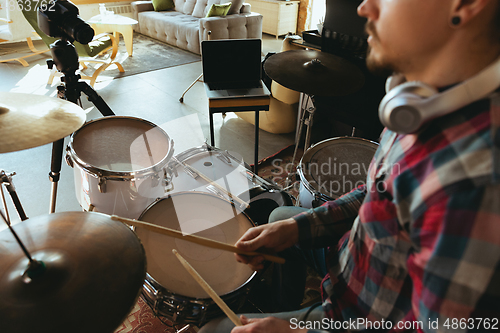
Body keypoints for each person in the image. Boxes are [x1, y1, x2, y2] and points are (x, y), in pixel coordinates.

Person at [199, 0, 500, 331]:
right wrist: (296, 229)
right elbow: (380, 192)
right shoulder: (420, 101)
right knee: (280, 218)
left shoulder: (475, 183)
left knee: (212, 329)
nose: (364, 7)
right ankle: (284, 302)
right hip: (355, 269)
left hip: (357, 317)